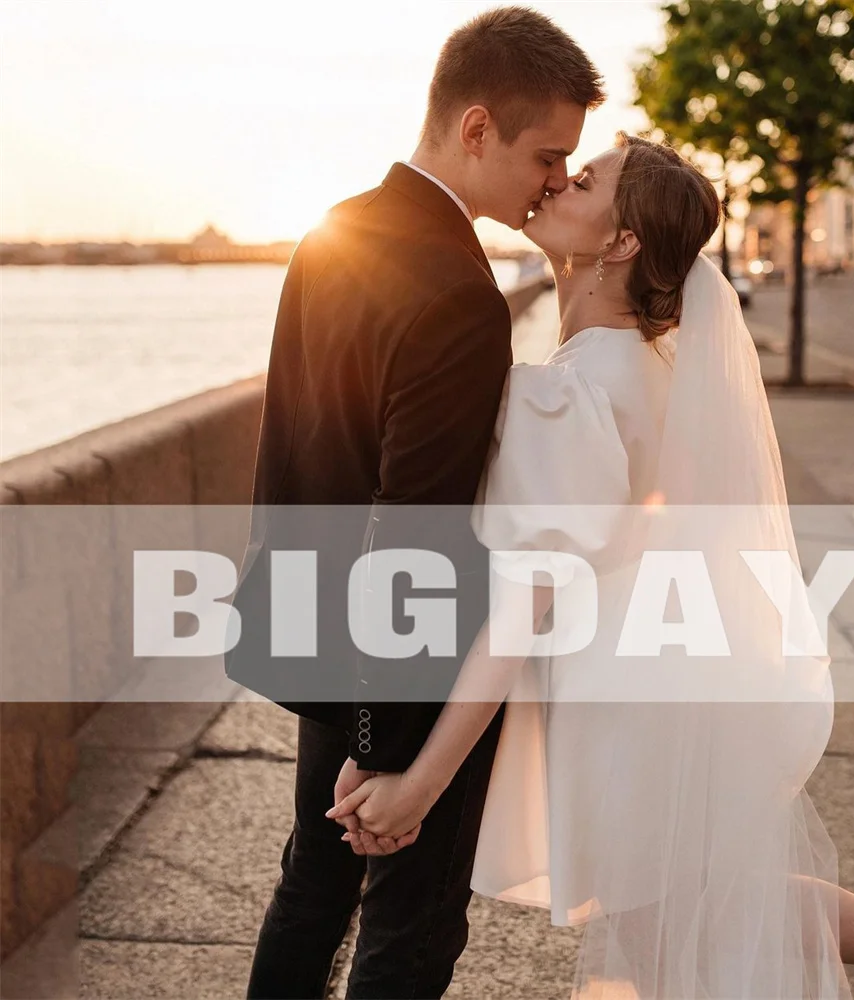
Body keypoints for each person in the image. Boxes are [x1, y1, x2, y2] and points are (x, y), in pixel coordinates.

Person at [329, 134, 854, 998]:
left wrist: (423, 780)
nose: (559, 182)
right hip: (666, 678)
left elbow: (528, 602)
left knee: (669, 932)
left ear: (622, 243)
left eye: (585, 179)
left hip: (620, 702)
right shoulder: (654, 364)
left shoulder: (567, 389)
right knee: (707, 906)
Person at [227, 7, 605, 999]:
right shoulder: (458, 292)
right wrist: (388, 748)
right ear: (475, 128)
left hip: (317, 628)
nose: (556, 180)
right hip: (397, 669)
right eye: (545, 155)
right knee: (413, 920)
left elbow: (299, 449)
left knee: (311, 884)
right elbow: (416, 532)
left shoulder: (334, 228)